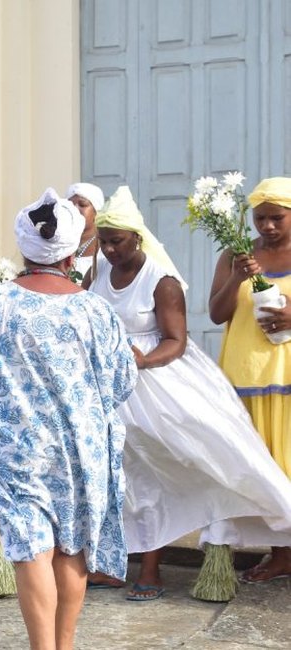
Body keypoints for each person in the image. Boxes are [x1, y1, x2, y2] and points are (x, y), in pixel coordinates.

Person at [0, 189, 137, 650]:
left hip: (18, 449)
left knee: (32, 549)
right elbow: (119, 384)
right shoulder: (97, 311)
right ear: (72, 251)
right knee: (72, 549)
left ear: (24, 248)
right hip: (82, 447)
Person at [89, 186, 291, 600]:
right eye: (104, 241)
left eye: (116, 241)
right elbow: (219, 312)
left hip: (167, 383)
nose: (108, 249)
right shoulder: (99, 273)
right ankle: (113, 562)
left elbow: (174, 339)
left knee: (175, 469)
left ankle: (157, 567)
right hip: (121, 383)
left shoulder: (159, 281)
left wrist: (139, 362)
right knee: (115, 475)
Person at [209, 176, 291, 583]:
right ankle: (281, 554)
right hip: (245, 377)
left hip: (288, 378)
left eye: (277, 218)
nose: (268, 227)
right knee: (263, 470)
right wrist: (238, 278)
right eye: (260, 219)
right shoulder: (235, 254)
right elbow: (217, 313)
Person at [66, 182, 105, 283]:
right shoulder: (59, 243)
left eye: (82, 205)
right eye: (70, 205)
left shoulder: (105, 245)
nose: (75, 209)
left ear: (97, 211)